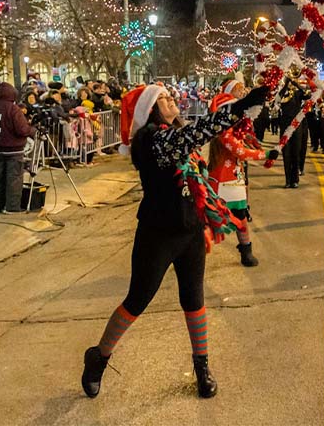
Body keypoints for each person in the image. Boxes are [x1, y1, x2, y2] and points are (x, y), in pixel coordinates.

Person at [80, 83, 267, 399]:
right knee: (137, 299)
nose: (172, 101)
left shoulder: (176, 137)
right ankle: (99, 356)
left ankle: (202, 366)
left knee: (194, 299)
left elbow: (197, 160)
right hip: (158, 232)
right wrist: (236, 107)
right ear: (150, 109)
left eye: (170, 96)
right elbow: (194, 135)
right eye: (164, 99)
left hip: (189, 231)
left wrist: (246, 110)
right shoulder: (152, 140)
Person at [207, 85, 279, 267]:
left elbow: (250, 144)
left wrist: (263, 149)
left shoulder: (237, 129)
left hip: (235, 182)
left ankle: (246, 251)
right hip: (222, 182)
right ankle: (197, 251)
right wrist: (265, 155)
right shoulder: (223, 131)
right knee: (213, 219)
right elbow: (240, 152)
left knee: (241, 217)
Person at [0, 82, 36, 213]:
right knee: (14, 179)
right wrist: (32, 130)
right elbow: (22, 129)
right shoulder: (13, 109)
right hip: (14, 150)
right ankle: (12, 207)